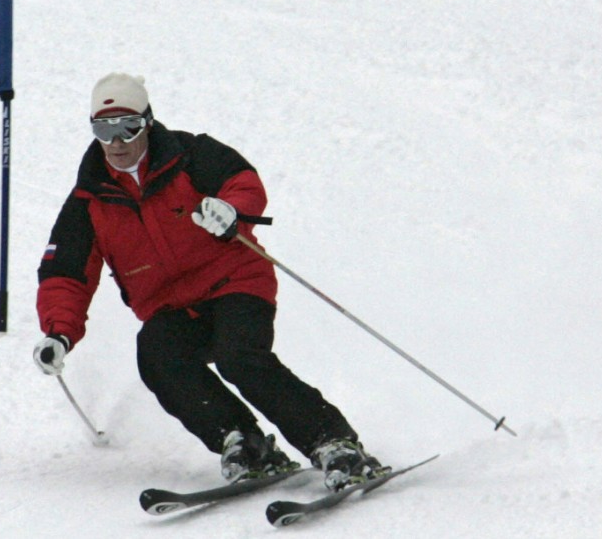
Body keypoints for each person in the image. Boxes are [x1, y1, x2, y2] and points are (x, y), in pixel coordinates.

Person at [33, 72, 388, 491]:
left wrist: (231, 211)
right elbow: (65, 274)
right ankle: (242, 442)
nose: (117, 140)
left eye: (128, 126)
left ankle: (333, 443)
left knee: (239, 356)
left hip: (235, 281)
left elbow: (243, 180)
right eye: (103, 129)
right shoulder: (88, 201)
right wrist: (59, 333)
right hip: (170, 306)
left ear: (148, 122)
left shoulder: (189, 154)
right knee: (157, 356)